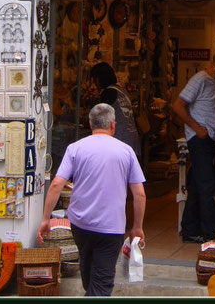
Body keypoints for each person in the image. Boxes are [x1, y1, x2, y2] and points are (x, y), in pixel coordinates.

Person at [36, 103, 146, 297]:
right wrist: (137, 227)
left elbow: (56, 185)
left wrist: (45, 219)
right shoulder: (126, 151)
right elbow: (139, 194)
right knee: (101, 285)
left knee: (90, 278)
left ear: (90, 123)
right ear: (113, 125)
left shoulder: (75, 148)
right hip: (111, 228)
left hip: (80, 225)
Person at [171, 51, 215, 243]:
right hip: (200, 139)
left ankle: (189, 229)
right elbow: (178, 105)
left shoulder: (213, 83)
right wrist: (197, 128)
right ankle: (211, 232)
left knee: (199, 184)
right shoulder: (200, 79)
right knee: (207, 185)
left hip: (209, 138)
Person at [90, 62, 141, 158]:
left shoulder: (108, 93)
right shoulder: (122, 91)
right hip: (132, 143)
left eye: (94, 80)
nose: (94, 84)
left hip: (120, 144)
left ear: (99, 78)